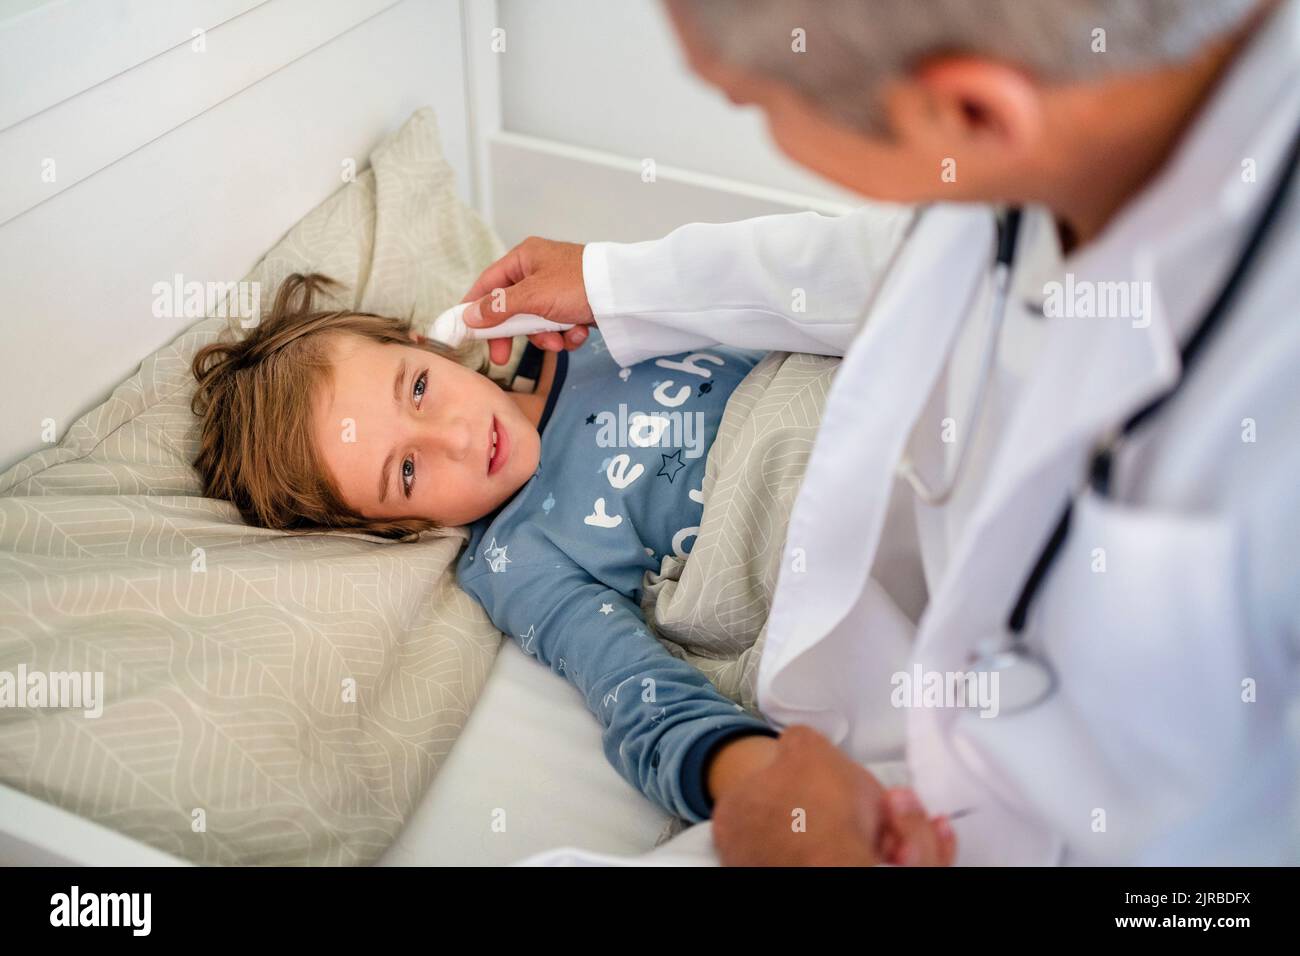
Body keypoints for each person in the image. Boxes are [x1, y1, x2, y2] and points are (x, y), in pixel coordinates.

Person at [460, 0, 1300, 865]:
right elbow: (885, 258)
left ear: (969, 111)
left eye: (754, 103)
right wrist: (616, 278)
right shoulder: (1042, 166)